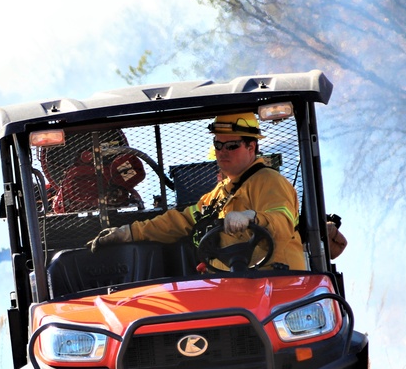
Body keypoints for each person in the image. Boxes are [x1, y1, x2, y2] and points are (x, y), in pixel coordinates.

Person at [89, 112, 347, 267]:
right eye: (218, 145)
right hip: (232, 284)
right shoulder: (219, 195)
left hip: (276, 284)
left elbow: (281, 221)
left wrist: (251, 218)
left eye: (231, 146)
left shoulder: (269, 181)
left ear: (251, 147)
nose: (222, 152)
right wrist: (128, 233)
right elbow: (179, 221)